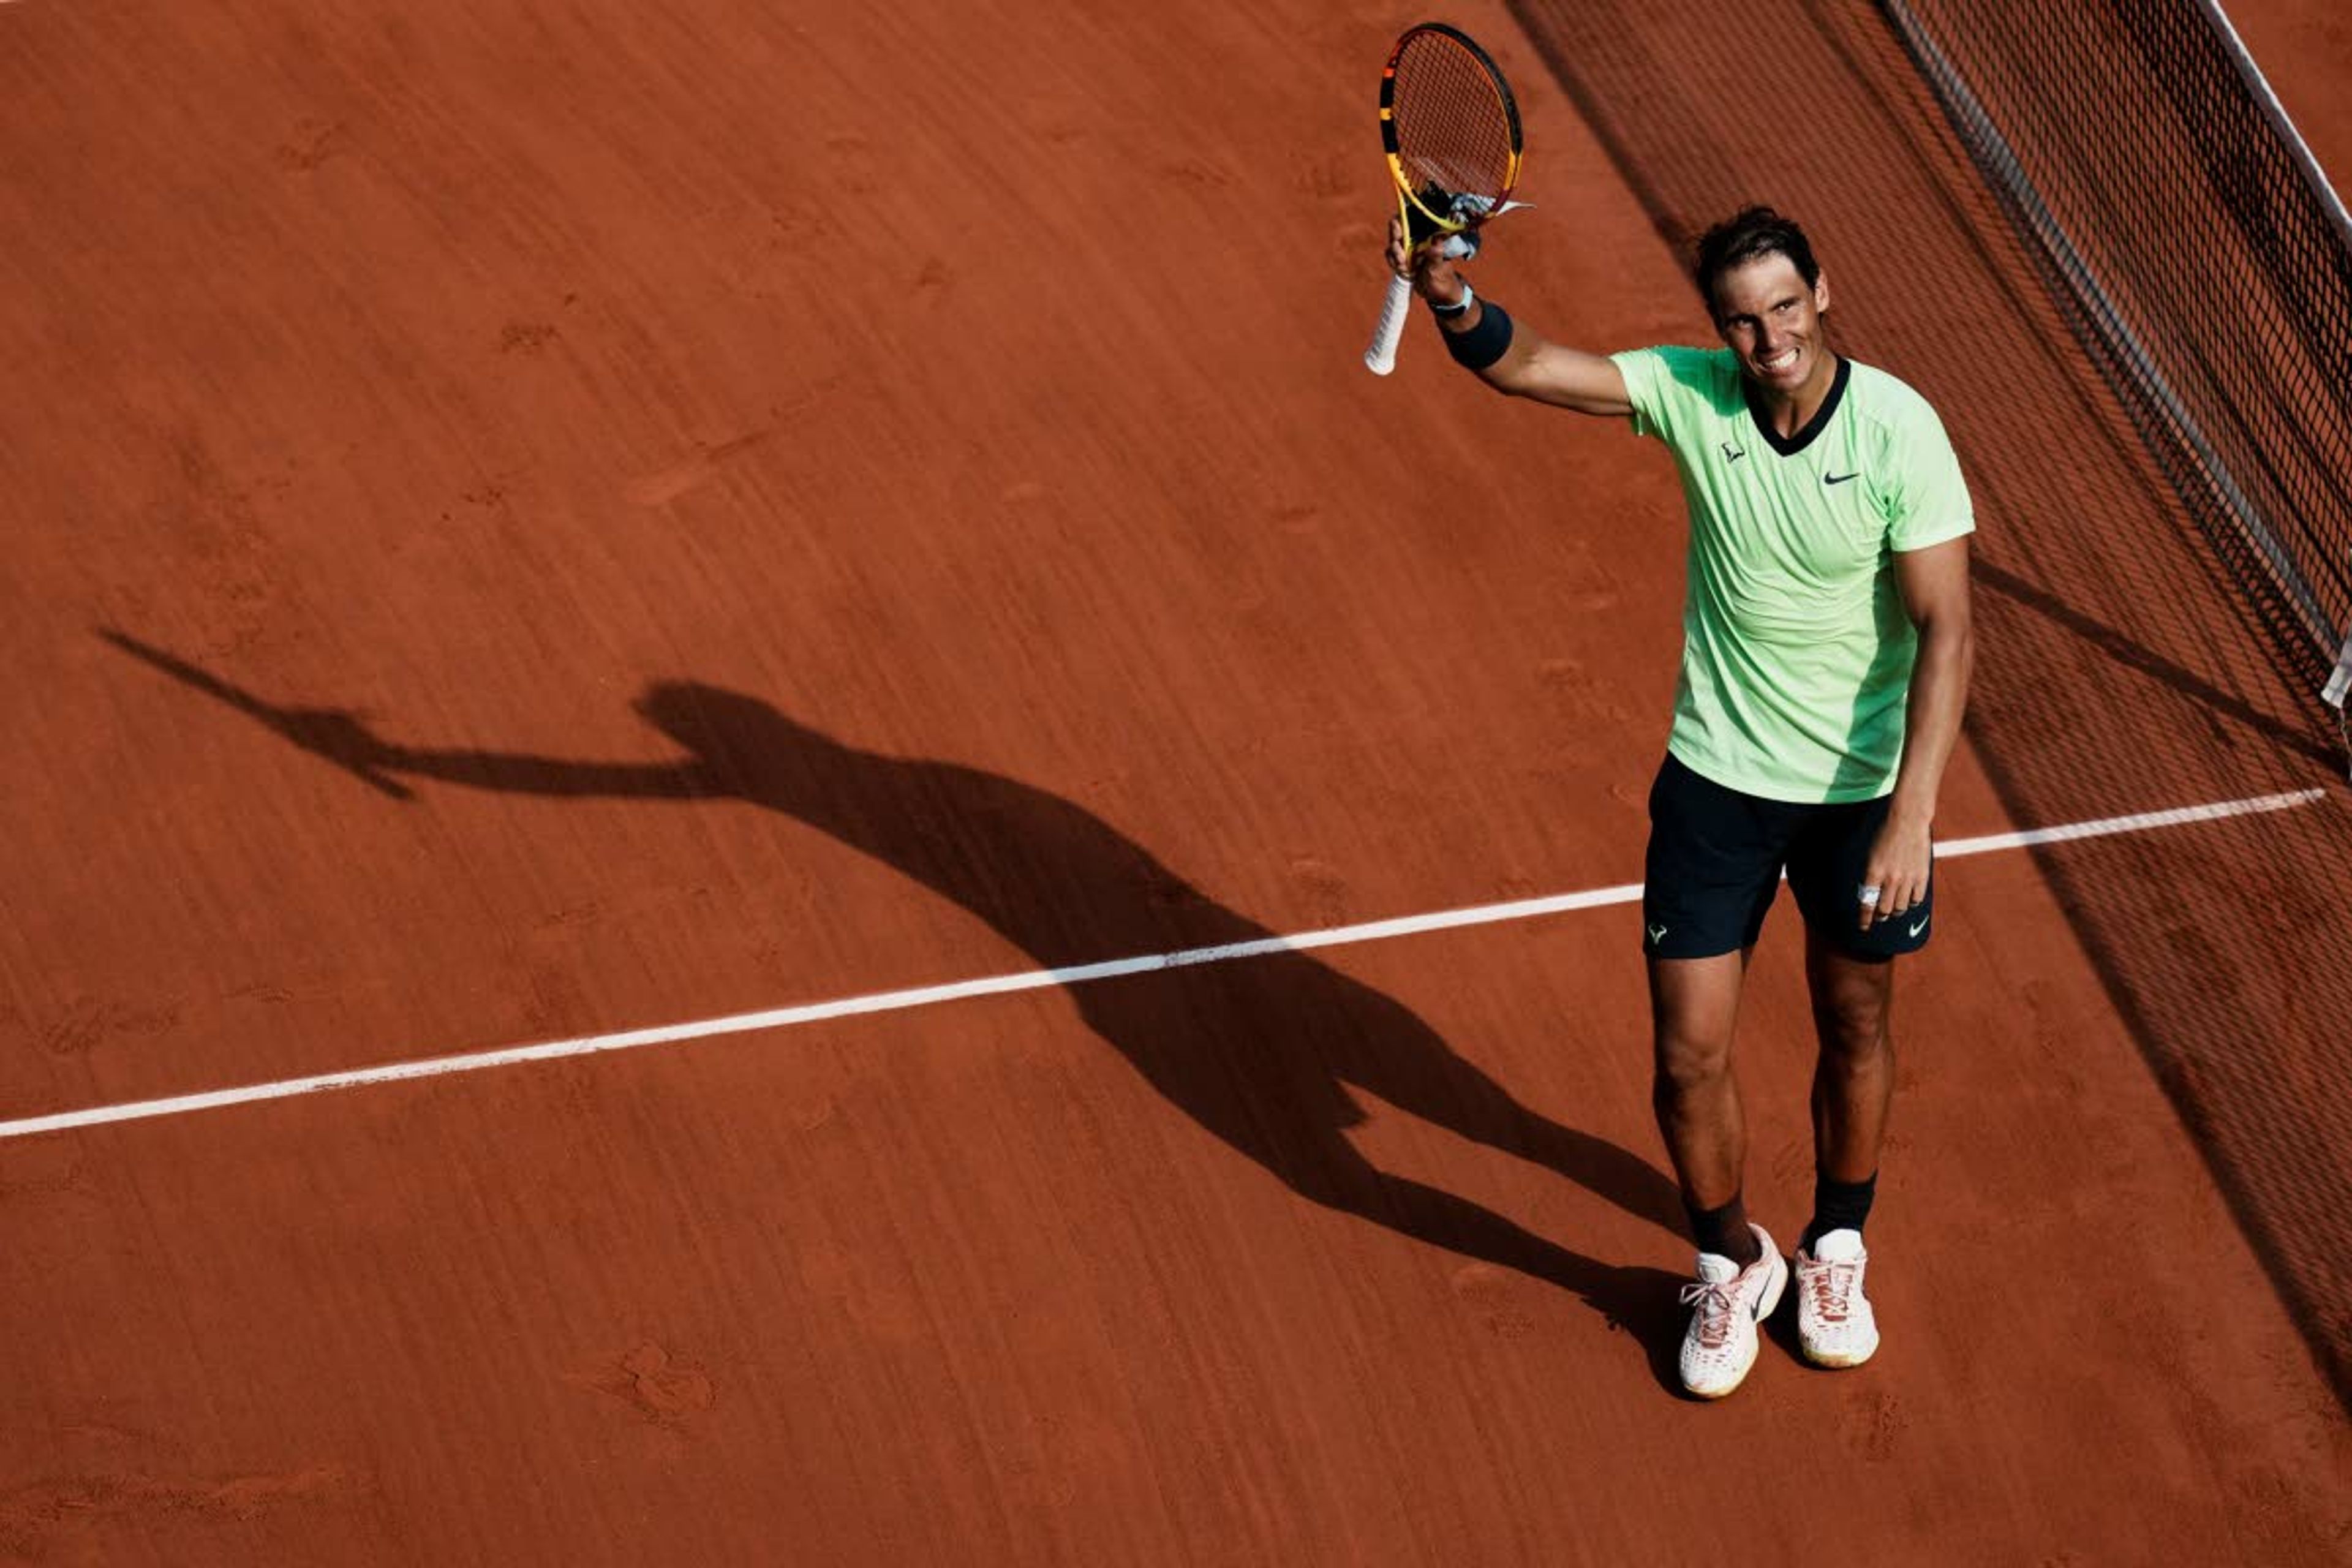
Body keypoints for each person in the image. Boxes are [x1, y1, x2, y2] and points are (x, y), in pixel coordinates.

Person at [1385, 205, 1975, 1398]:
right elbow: (1532, 368)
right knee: (1689, 1050)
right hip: (1717, 781)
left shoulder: (1901, 430)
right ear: (1722, 328)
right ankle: (1725, 1260)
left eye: (1787, 311)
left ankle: (1836, 1244)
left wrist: (1914, 810)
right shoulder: (1693, 396)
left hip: (1860, 798)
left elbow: (1947, 626)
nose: (1770, 341)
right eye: (1744, 322)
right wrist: (1451, 300)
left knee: (1855, 1021)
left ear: (1824, 290)